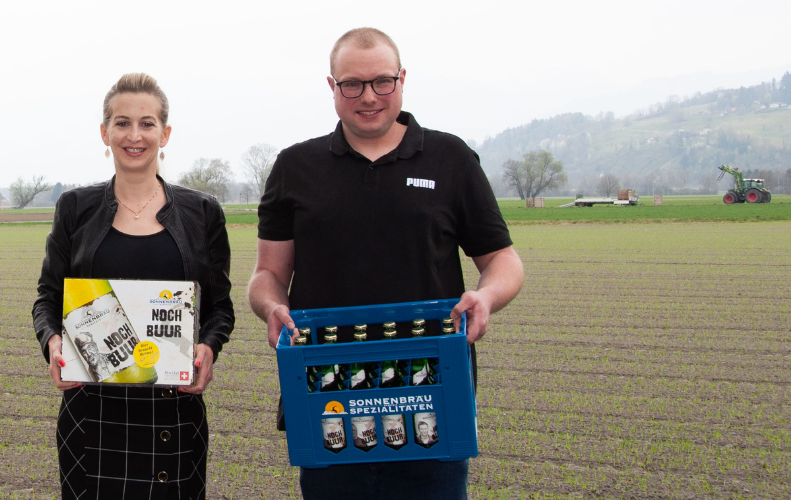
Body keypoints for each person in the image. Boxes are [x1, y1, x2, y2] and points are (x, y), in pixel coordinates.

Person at [247, 28, 524, 499]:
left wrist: (486, 297)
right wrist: (272, 307)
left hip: (431, 389)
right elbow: (267, 275)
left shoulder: (450, 158)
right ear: (332, 87)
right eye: (352, 84)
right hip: (327, 392)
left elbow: (503, 260)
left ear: (402, 80)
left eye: (382, 82)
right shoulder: (295, 166)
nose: (368, 96)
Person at [33, 72, 234, 499]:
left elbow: (220, 309)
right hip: (92, 415)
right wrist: (53, 342)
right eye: (122, 123)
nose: (134, 135)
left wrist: (209, 347)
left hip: (173, 413)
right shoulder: (74, 208)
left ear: (165, 133)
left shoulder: (203, 212)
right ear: (104, 133)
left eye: (147, 123)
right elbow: (48, 299)